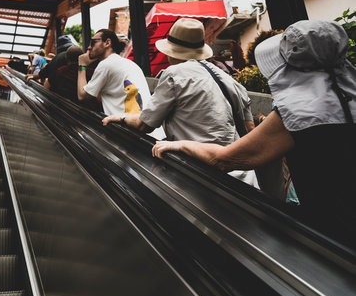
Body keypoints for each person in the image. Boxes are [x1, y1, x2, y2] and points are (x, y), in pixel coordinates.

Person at [152, 20, 356, 246]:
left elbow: (225, 159)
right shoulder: (346, 95)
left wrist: (181, 145)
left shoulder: (299, 110)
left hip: (335, 233)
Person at [102, 18, 257, 187]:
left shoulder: (174, 74)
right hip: (244, 180)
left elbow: (144, 125)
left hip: (202, 178)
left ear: (171, 52)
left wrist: (122, 118)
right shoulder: (228, 79)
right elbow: (249, 129)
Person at [77, 29, 165, 139]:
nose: (89, 47)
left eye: (93, 42)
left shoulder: (106, 64)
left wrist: (82, 65)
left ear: (107, 43)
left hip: (134, 133)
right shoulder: (128, 63)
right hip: (153, 132)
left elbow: (82, 96)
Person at [45, 45, 100, 111]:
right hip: (86, 112)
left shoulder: (59, 72)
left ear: (67, 59)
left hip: (63, 110)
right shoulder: (91, 73)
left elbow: (46, 86)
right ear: (81, 57)